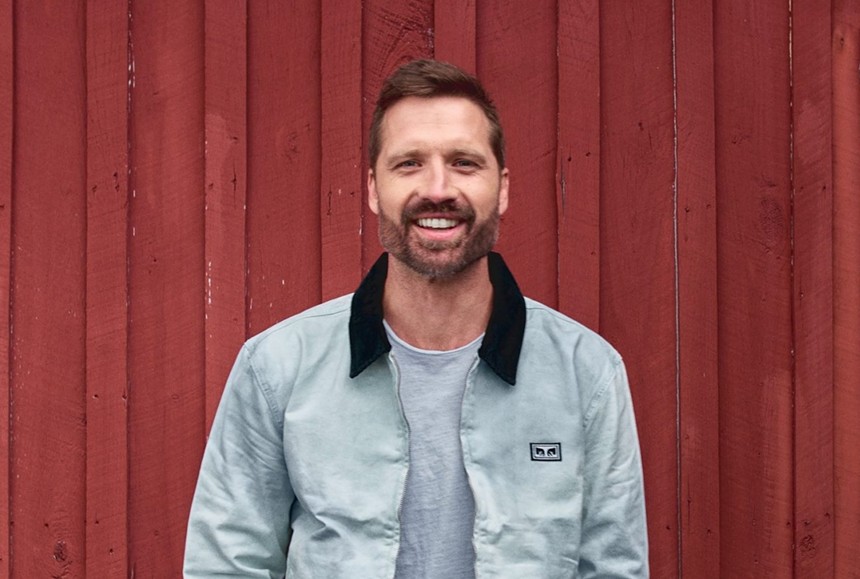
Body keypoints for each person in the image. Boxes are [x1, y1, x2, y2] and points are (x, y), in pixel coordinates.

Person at [184, 59, 648, 578]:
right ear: (372, 188)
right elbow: (225, 566)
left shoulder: (587, 374)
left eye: (465, 163)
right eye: (408, 164)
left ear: (504, 187)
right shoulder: (277, 369)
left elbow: (613, 569)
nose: (438, 188)